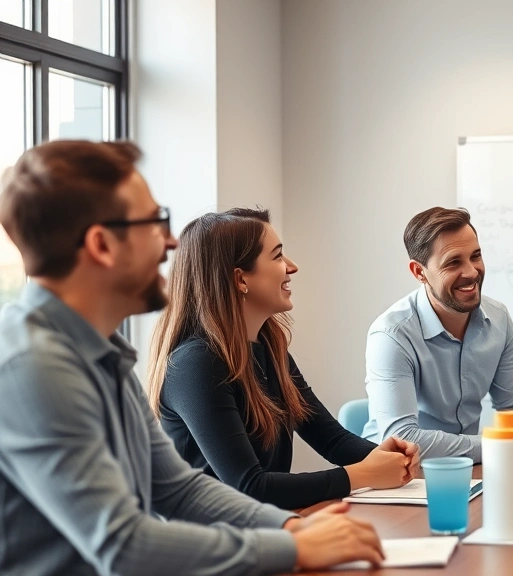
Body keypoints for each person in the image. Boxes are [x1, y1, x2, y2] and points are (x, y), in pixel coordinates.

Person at [0, 140, 385, 575]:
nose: (169, 241)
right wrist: (292, 548)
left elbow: (178, 489)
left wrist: (291, 529)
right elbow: (123, 545)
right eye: (154, 222)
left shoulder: (101, 352)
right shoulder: (32, 366)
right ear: (102, 245)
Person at [148, 208, 419, 511]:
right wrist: (360, 475)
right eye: (277, 256)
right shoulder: (195, 364)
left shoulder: (270, 348)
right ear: (240, 279)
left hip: (264, 530)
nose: (292, 267)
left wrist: (386, 457)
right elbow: (249, 487)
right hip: (211, 549)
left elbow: (332, 440)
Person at [363, 207, 513, 462]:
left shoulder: (498, 319)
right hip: (400, 476)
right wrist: (504, 445)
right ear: (419, 272)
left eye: (476, 256)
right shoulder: (391, 335)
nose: (471, 272)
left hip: (469, 472)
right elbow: (403, 438)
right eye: (453, 262)